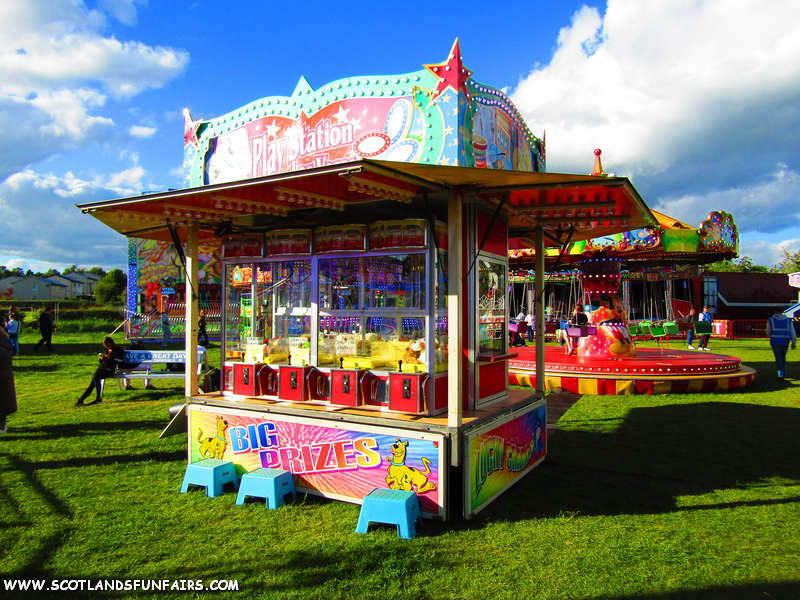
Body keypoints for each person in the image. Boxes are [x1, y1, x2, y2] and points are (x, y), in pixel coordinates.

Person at [76, 337, 125, 407]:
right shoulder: (106, 350)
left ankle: (98, 398)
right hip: (102, 368)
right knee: (93, 382)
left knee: (96, 377)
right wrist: (102, 358)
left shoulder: (118, 350)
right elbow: (102, 362)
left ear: (111, 343)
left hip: (110, 369)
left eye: (107, 345)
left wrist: (111, 358)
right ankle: (82, 399)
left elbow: (120, 360)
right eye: (105, 346)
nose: (106, 347)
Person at [766, 307, 796, 380]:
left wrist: (769, 335)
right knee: (783, 357)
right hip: (785, 341)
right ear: (782, 311)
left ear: (774, 311)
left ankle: (780, 374)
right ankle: (783, 372)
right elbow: (793, 332)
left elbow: (768, 332)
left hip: (775, 341)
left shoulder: (771, 320)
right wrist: (793, 342)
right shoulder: (788, 320)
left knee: (778, 358)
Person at [0, 325, 17, 434]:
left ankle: (2, 427)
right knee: (3, 402)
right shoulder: (6, 344)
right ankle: (2, 426)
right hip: (6, 375)